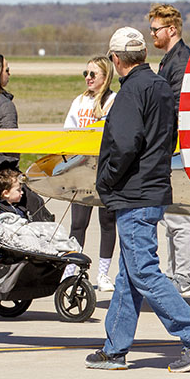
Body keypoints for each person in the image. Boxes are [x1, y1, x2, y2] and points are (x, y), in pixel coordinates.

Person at [85, 27, 190, 372]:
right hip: (155, 188)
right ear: (143, 54)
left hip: (134, 194)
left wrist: (106, 179)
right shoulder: (161, 86)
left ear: (115, 60)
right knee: (130, 274)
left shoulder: (131, 92)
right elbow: (171, 135)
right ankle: (114, 350)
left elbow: (126, 144)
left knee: (143, 271)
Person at [147, 4, 190, 296]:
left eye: (156, 29)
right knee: (172, 217)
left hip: (178, 149)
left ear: (172, 30)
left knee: (180, 216)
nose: (152, 33)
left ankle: (184, 277)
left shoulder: (181, 62)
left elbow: (178, 109)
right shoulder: (169, 60)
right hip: (170, 147)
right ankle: (175, 273)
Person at [64, 55, 119, 291]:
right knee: (78, 222)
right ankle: (70, 269)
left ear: (105, 77)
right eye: (85, 74)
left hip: (105, 169)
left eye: (92, 74)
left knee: (107, 221)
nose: (87, 78)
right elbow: (68, 131)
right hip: (82, 168)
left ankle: (103, 275)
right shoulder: (79, 101)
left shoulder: (113, 101)